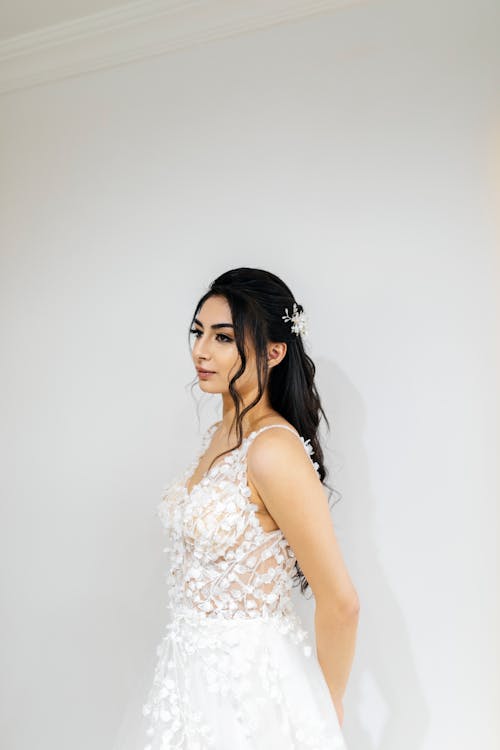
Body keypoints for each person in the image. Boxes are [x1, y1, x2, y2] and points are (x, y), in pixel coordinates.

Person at [141, 267, 359, 749]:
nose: (201, 350)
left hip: (252, 688)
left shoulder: (271, 450)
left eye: (223, 338)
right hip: (190, 677)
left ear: (275, 351)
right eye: (198, 332)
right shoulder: (223, 435)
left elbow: (341, 602)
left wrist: (327, 707)